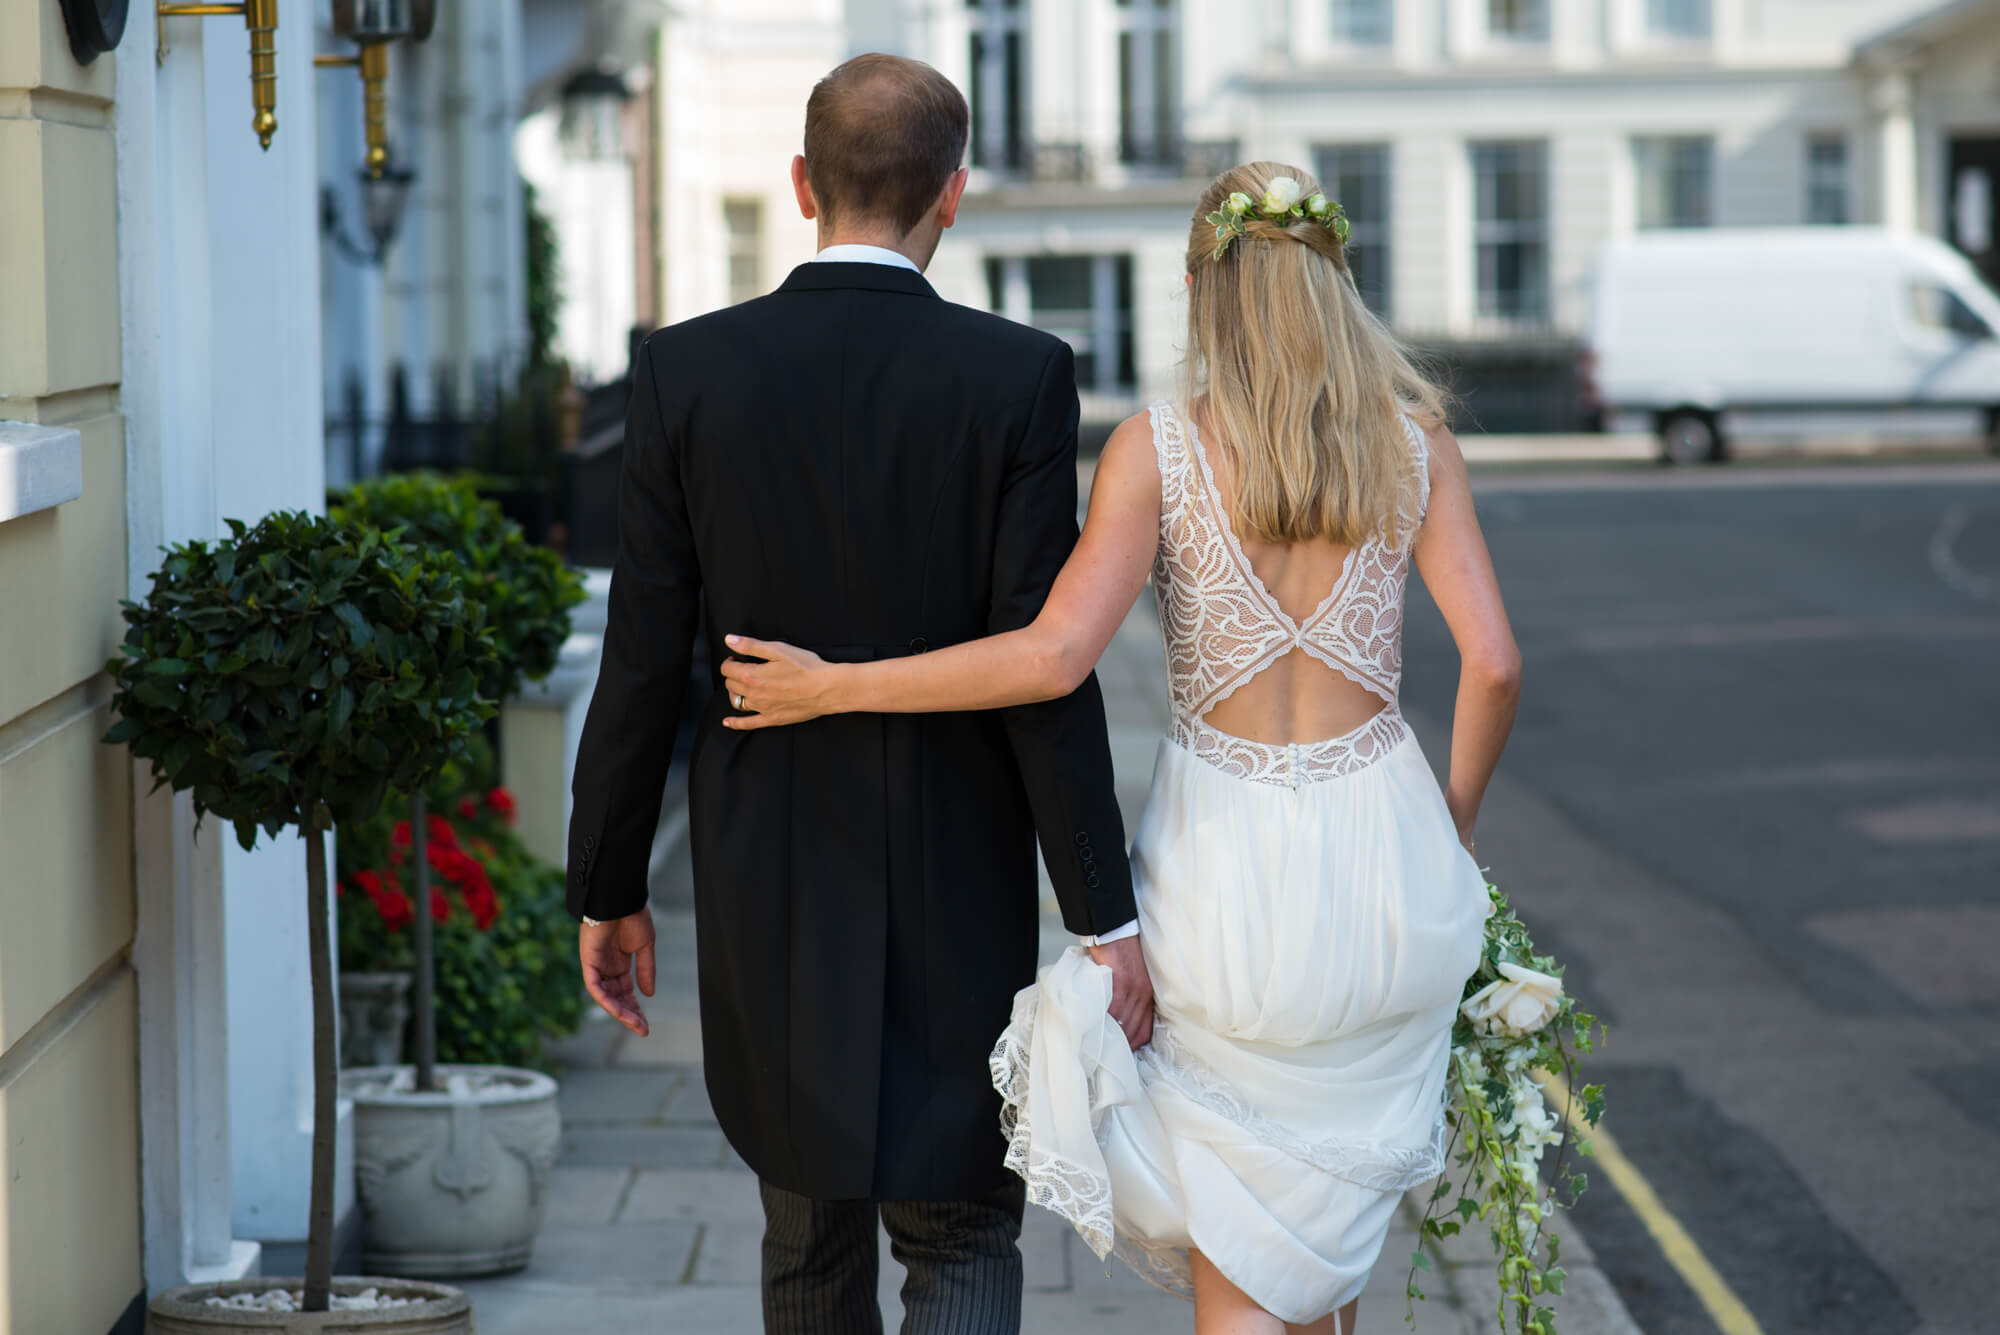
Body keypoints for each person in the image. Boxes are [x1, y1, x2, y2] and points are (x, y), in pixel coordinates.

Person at [718, 162, 1521, 1334]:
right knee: (1324, 1236)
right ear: (1336, 283)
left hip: (1227, 872)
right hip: (1383, 850)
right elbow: (1493, 663)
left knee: (1246, 1233)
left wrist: (837, 686)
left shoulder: (1159, 451)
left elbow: (1048, 659)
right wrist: (1444, 824)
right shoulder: (1414, 448)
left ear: (1203, 289)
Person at [563, 53, 1157, 1335]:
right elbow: (1044, 666)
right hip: (960, 858)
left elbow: (641, 657)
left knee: (806, 1222)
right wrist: (1101, 915)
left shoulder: (683, 372)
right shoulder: (1019, 375)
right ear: (954, 196)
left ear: (799, 185)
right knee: (960, 1226)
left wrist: (606, 886)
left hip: (769, 863)